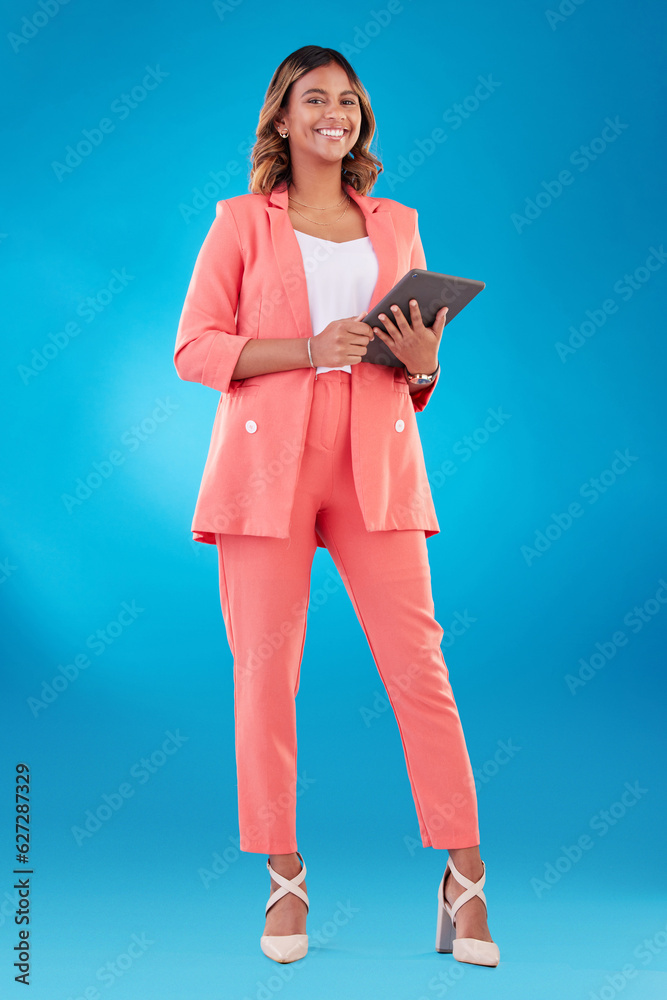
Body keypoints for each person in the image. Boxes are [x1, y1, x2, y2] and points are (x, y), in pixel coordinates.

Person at [173, 45, 499, 968]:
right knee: (264, 680)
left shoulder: (397, 226)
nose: (335, 113)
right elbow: (196, 348)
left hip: (378, 468)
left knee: (418, 669)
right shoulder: (240, 223)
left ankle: (465, 879)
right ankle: (282, 877)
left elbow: (415, 372)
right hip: (264, 472)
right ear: (282, 117)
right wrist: (309, 348)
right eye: (314, 99)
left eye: (347, 101)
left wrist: (423, 357)